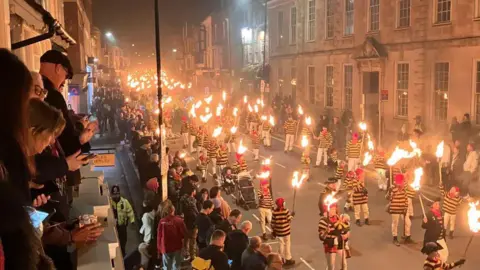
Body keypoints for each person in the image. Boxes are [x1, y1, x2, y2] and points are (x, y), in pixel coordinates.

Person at [41, 50, 95, 200]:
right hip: (51, 178)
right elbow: (65, 139)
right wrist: (81, 140)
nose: (64, 82)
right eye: (65, 75)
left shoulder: (32, 87)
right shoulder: (52, 95)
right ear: (58, 68)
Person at [318, 203, 347, 270]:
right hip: (330, 244)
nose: (334, 210)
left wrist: (345, 234)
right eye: (332, 209)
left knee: (343, 264)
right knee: (331, 266)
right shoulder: (323, 221)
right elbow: (321, 237)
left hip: (339, 243)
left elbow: (343, 229)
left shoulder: (338, 218)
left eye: (334, 209)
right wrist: (326, 232)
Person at [157, 204, 186, 269]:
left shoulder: (162, 221)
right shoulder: (179, 220)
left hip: (165, 247)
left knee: (166, 266)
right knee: (176, 265)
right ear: (173, 210)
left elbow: (159, 236)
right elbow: (184, 234)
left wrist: (159, 249)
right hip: (177, 246)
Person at [387, 174, 412, 246]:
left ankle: (407, 236)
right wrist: (390, 191)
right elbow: (389, 198)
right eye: (401, 181)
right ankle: (395, 238)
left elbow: (406, 198)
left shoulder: (404, 188)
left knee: (408, 222)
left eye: (403, 181)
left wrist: (406, 207)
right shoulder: (393, 188)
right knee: (395, 223)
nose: (402, 183)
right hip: (395, 209)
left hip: (403, 208)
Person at [110, 185, 135, 256]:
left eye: (117, 193)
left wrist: (132, 221)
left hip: (122, 226)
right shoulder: (110, 202)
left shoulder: (124, 202)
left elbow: (130, 211)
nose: (116, 196)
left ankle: (123, 253)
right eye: (114, 194)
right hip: (113, 227)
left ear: (119, 193)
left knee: (123, 240)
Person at [271, 198, 295, 266]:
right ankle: (288, 258)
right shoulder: (286, 211)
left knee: (280, 245)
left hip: (279, 232)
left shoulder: (274, 212)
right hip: (286, 232)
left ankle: (280, 258)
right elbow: (289, 220)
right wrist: (292, 215)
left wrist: (274, 231)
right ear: (283, 204)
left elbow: (272, 223)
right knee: (287, 245)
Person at [180, 183, 199, 259]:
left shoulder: (182, 199)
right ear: (192, 191)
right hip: (192, 222)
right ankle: (192, 256)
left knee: (186, 238)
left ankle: (185, 253)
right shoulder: (192, 201)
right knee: (193, 240)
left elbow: (180, 211)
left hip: (185, 221)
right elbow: (196, 212)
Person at [139, 199, 156, 268]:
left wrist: (147, 241)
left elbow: (147, 228)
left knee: (142, 249)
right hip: (153, 239)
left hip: (148, 240)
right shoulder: (154, 214)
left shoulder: (146, 216)